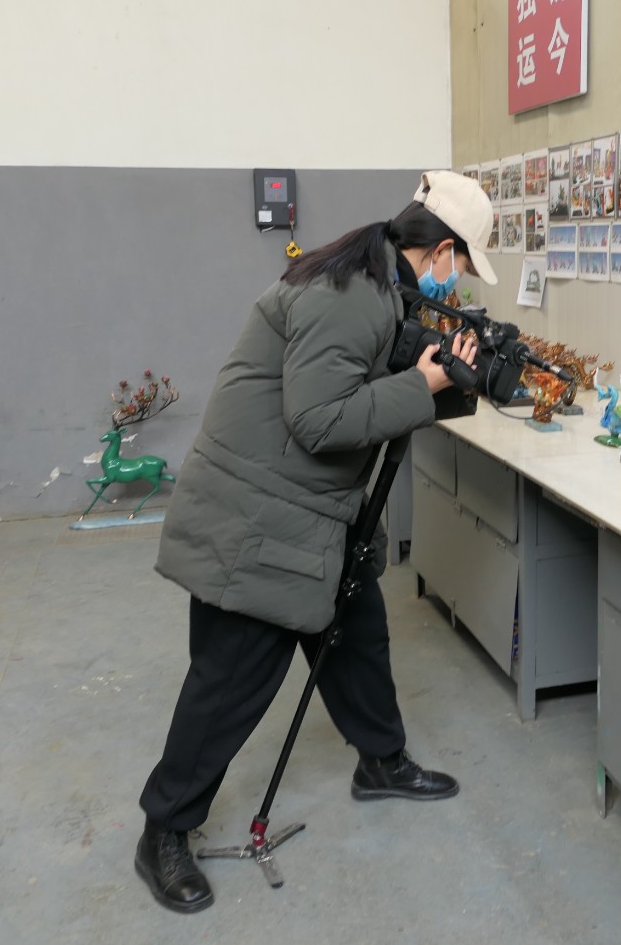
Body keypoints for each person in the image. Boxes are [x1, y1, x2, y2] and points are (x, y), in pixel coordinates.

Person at [135, 170, 497, 914]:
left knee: (357, 632)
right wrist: (424, 387)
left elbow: (364, 384)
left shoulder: (377, 282)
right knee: (231, 679)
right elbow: (320, 420)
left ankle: (381, 761)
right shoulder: (353, 294)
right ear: (442, 250)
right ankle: (164, 829)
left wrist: (448, 378)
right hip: (259, 518)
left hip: (310, 509)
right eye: (461, 263)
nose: (457, 280)